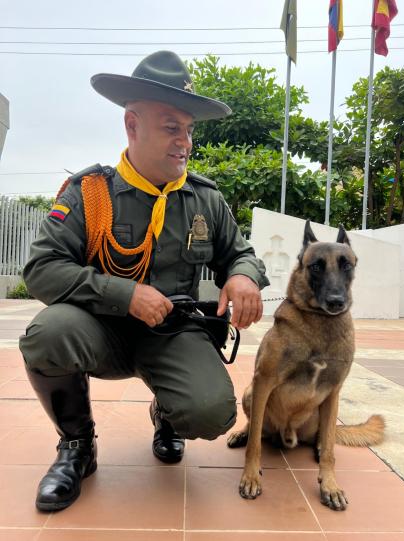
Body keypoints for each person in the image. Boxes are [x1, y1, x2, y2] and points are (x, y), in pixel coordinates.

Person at [19, 50, 269, 512]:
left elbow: (241, 254)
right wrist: (125, 293)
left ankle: (168, 414)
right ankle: (77, 447)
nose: (185, 142)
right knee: (47, 333)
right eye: (171, 126)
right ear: (132, 125)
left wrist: (242, 277)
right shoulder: (90, 193)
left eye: (189, 129)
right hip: (101, 330)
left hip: (173, 334)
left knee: (211, 413)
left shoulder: (204, 199)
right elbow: (41, 269)